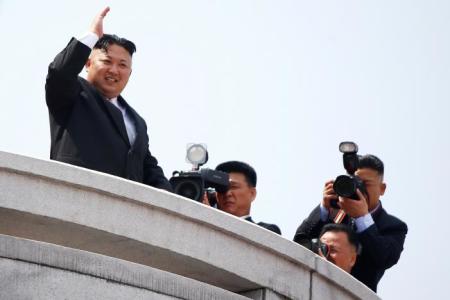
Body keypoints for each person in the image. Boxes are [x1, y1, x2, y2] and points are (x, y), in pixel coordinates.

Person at [45, 7, 172, 191]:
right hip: (75, 197)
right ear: (87, 64)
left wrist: (178, 201)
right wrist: (91, 36)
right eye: (106, 61)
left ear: (130, 73)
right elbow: (59, 72)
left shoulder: (137, 122)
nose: (114, 70)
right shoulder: (74, 94)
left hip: (123, 212)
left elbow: (148, 169)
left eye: (122, 65)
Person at [293, 154, 407, 292]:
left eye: (366, 184)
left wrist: (362, 218)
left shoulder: (393, 226)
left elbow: (383, 258)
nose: (360, 189)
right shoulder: (337, 212)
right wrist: (324, 209)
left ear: (382, 189)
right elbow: (299, 242)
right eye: (356, 182)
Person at [214, 161, 281, 235]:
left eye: (233, 187)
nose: (227, 193)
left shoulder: (266, 230)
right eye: (222, 188)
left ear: (252, 194)